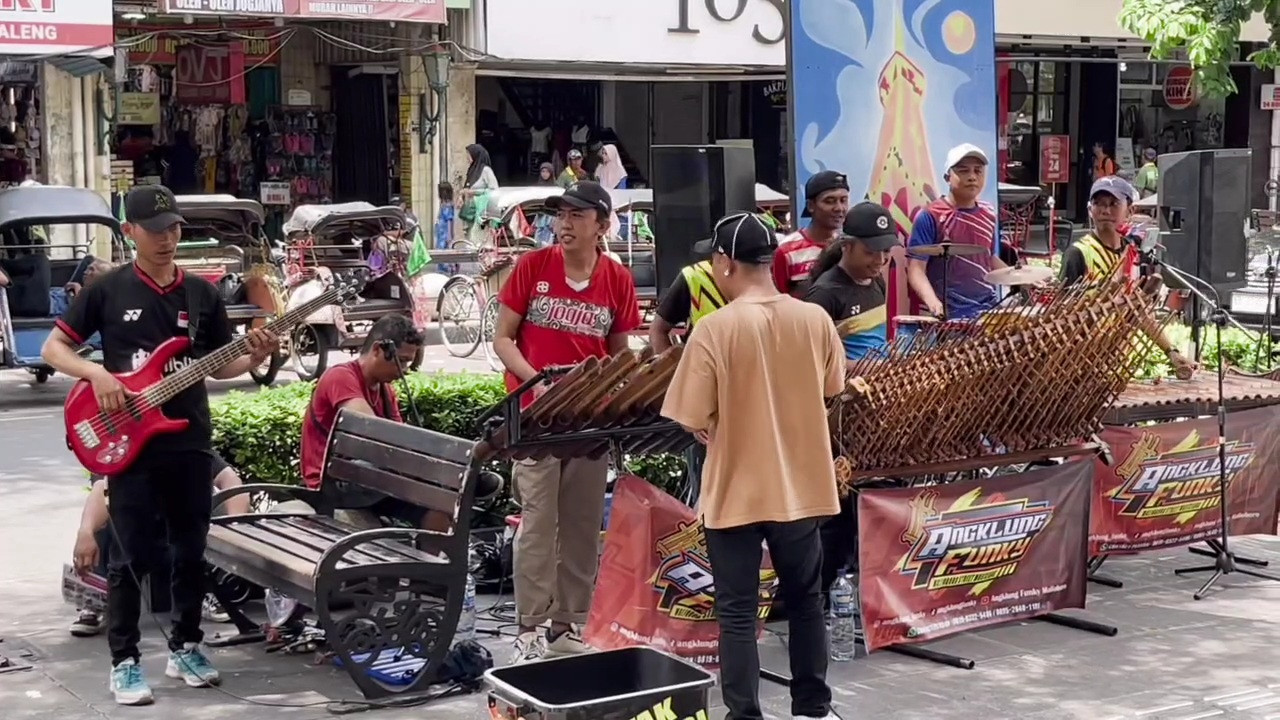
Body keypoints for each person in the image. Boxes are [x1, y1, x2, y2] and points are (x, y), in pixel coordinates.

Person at [41, 184, 279, 706]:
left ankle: (187, 645)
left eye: (173, 228)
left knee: (190, 548)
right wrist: (97, 374)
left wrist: (257, 354)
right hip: (130, 443)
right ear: (130, 233)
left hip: (189, 437)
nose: (168, 238)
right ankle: (125, 661)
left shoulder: (201, 294)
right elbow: (53, 348)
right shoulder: (108, 290)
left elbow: (223, 364)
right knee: (129, 555)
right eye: (156, 230)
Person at [661, 212, 843, 720]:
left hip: (735, 489)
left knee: (737, 614)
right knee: (807, 603)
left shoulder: (714, 329)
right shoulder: (814, 319)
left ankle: (744, 715)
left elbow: (691, 416)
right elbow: (832, 388)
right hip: (801, 486)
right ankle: (813, 707)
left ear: (724, 262)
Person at [493, 181, 640, 664]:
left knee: (580, 524)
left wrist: (617, 398)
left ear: (601, 224)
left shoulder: (617, 279)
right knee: (538, 521)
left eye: (578, 215)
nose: (564, 224)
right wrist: (536, 381)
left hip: (588, 422)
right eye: (560, 215)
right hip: (536, 417)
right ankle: (530, 627)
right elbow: (502, 339)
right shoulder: (532, 266)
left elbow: (621, 354)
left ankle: (569, 623)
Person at [69, 453, 251, 638]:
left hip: (182, 538)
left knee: (208, 511)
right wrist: (85, 532)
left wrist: (233, 528)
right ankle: (95, 600)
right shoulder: (116, 450)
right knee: (102, 524)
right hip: (137, 540)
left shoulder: (183, 442)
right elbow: (101, 488)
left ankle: (211, 592)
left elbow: (230, 479)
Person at [300, 314, 451, 531]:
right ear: (378, 350)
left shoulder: (385, 390)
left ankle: (431, 563)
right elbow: (371, 432)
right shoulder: (340, 377)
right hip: (333, 486)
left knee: (437, 506)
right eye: (402, 360)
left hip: (371, 482)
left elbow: (399, 439)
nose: (405, 370)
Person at [1061, 176, 1196, 378]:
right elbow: (1063, 316)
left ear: (1130, 211)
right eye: (1098, 204)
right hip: (1083, 366)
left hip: (1119, 364)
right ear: (1090, 210)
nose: (1105, 211)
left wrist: (1172, 352)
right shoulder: (1077, 254)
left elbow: (1138, 312)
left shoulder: (1132, 254)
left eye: (1113, 204)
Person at [906, 143, 1005, 319]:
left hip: (989, 312)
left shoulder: (989, 213)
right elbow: (916, 269)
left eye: (978, 171)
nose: (972, 177)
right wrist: (933, 303)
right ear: (947, 177)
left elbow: (989, 258)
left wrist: (1020, 277)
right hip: (951, 316)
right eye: (964, 171)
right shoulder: (930, 215)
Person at [773, 171, 850, 297]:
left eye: (843, 200)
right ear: (810, 206)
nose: (839, 208)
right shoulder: (786, 251)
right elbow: (778, 300)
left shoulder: (848, 246)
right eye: (830, 201)